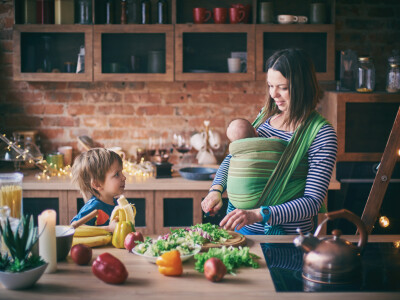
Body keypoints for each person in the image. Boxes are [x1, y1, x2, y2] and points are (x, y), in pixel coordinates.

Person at [201, 48, 337, 235]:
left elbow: (312, 203)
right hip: (240, 233)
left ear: (302, 86)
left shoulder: (321, 134)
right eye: (270, 86)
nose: (274, 94)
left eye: (283, 87)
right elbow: (235, 157)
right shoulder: (265, 116)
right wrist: (216, 189)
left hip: (286, 240)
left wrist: (259, 214)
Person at [70, 148, 126, 232]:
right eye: (117, 174)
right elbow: (74, 228)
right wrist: (108, 228)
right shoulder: (94, 207)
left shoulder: (115, 203)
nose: (124, 177)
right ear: (97, 184)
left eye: (122, 172)